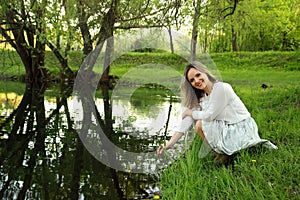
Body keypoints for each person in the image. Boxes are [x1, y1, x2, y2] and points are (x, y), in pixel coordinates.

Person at [157, 61, 277, 164]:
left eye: (198, 75)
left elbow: (209, 116)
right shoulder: (203, 97)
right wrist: (170, 144)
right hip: (228, 127)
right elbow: (186, 122)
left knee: (200, 123)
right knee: (198, 121)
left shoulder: (221, 88)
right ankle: (221, 153)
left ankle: (224, 154)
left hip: (242, 128)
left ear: (206, 72)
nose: (197, 81)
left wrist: (190, 113)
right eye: (192, 80)